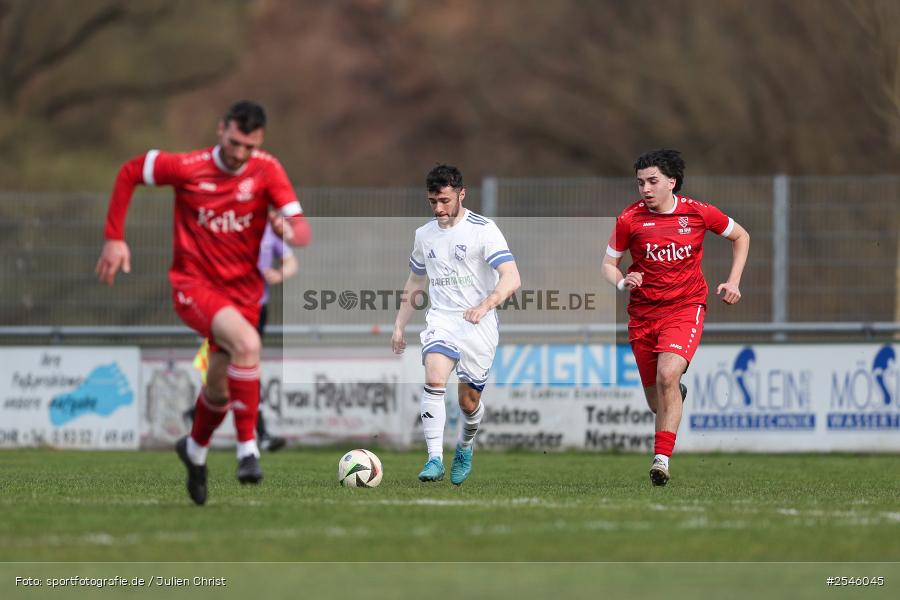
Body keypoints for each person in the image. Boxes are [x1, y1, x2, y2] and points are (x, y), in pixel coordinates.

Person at [95, 100, 311, 505]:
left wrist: (290, 229)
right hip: (193, 286)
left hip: (244, 294)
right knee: (248, 345)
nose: (239, 153)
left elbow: (302, 230)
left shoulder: (268, 169)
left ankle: (194, 450)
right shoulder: (187, 167)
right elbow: (129, 172)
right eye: (234, 142)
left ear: (259, 141)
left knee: (218, 387)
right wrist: (114, 236)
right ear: (221, 130)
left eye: (248, 146)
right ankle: (248, 449)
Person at [602, 149, 749, 486]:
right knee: (659, 403)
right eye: (640, 183)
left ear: (672, 182)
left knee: (668, 373)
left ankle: (661, 460)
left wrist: (734, 281)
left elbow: (741, 236)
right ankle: (674, 393)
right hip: (642, 315)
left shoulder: (698, 213)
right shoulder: (629, 219)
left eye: (652, 181)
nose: (645, 189)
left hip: (685, 307)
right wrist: (624, 281)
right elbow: (608, 265)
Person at [391, 164, 521, 485]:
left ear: (461, 194)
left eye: (445, 200)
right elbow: (415, 281)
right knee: (434, 379)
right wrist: (399, 325)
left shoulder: (483, 229)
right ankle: (434, 458)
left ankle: (464, 446)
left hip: (479, 323)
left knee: (468, 402)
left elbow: (512, 278)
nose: (438, 208)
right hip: (442, 319)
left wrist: (485, 305)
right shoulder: (424, 235)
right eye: (433, 201)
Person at [187, 218, 297, 451]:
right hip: (225, 308)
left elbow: (291, 261)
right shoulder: (228, 224)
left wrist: (280, 274)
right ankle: (256, 437)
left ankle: (200, 418)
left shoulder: (270, 231)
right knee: (236, 369)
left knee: (240, 369)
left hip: (256, 310)